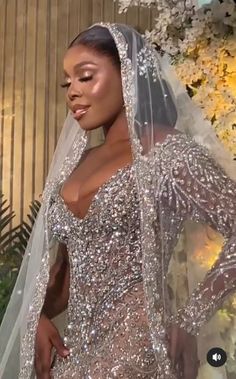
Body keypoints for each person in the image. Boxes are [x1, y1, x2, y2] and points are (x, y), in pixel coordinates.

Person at [0, 23, 236, 379]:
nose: (73, 93)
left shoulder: (168, 155)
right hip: (76, 348)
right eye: (68, 83)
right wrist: (38, 316)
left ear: (128, 74)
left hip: (139, 342)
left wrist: (190, 319)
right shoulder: (78, 164)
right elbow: (69, 275)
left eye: (85, 77)